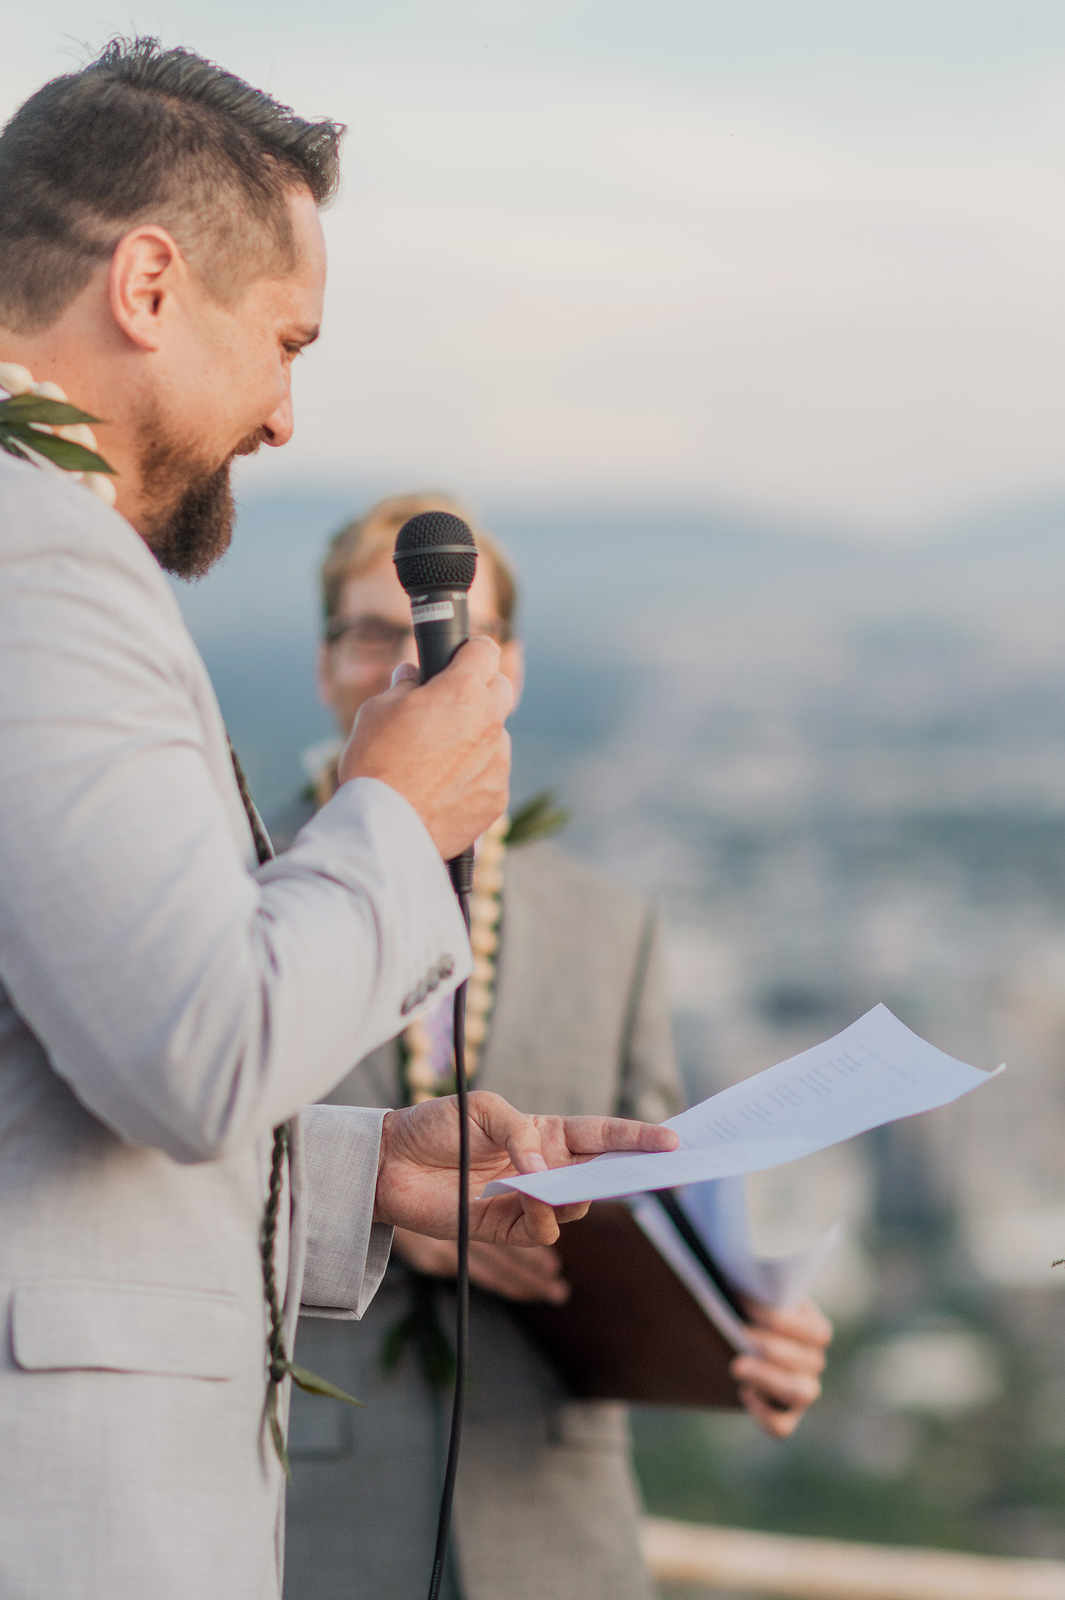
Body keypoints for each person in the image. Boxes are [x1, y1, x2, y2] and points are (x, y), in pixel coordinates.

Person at [0, 41, 671, 1600]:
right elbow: (197, 1050)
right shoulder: (3, 548)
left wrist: (354, 1176)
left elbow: (7, 1071)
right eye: (283, 341)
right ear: (148, 283)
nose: (282, 418)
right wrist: (397, 812)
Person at [276, 494, 833, 1600]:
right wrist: (398, 1211)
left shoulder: (610, 924)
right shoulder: (248, 903)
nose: (410, 661)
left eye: (443, 633)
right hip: (316, 1508)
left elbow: (669, 1204)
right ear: (328, 665)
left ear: (508, 670)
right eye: (371, 633)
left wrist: (758, 1326)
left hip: (555, 1515)